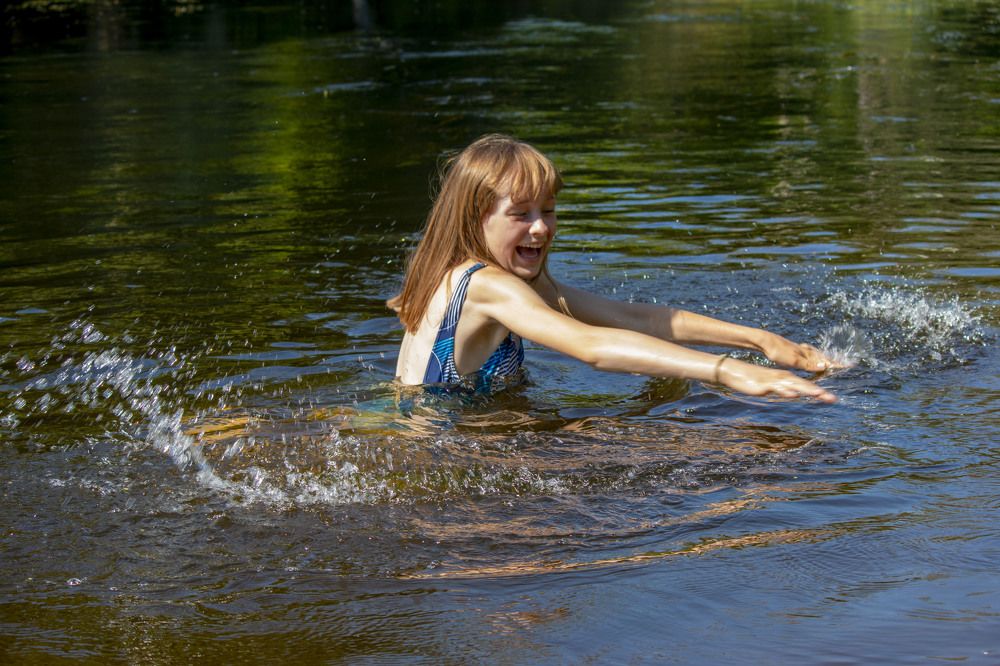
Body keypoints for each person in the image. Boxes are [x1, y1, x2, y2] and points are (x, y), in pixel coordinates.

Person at [388, 134, 838, 402]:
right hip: (442, 454)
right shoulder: (488, 286)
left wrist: (760, 340)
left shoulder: (489, 279)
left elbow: (633, 318)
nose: (541, 228)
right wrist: (728, 370)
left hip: (443, 436)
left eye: (548, 211)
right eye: (521, 214)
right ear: (475, 219)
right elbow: (592, 346)